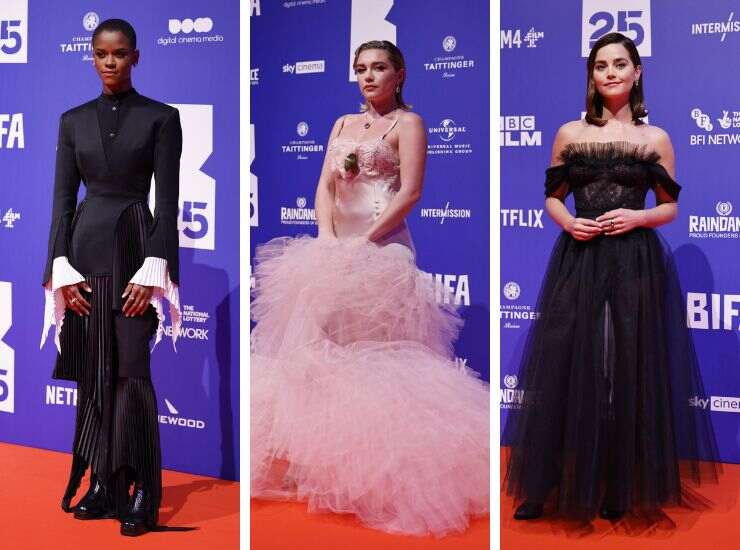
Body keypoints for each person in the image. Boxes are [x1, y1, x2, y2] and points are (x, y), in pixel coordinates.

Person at [250, 40, 489, 536]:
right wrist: (327, 239)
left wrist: (363, 243)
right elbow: (325, 187)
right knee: (318, 355)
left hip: (383, 252)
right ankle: (323, 467)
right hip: (333, 250)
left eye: (379, 68)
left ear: (399, 75)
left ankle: (382, 478)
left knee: (377, 359)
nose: (368, 76)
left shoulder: (409, 124)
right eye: (361, 68)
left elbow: (411, 192)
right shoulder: (342, 124)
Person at [503, 32, 720, 522]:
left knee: (625, 367)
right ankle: (545, 483)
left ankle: (620, 485)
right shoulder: (569, 133)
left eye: (620, 64)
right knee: (565, 361)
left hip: (632, 259)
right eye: (601, 65)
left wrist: (637, 217)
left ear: (637, 72)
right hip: (578, 257)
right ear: (592, 75)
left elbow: (669, 208)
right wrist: (567, 221)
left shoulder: (655, 138)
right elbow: (553, 197)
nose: (611, 72)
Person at [40, 18, 181, 537]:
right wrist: (59, 267)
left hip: (135, 250)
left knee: (131, 372)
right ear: (92, 57)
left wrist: (155, 266)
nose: (109, 62)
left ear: (135, 57)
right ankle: (103, 482)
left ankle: (142, 490)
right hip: (83, 254)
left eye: (119, 53)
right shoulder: (72, 120)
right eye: (101, 54)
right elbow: (62, 202)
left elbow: (167, 202)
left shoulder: (161, 118)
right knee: (94, 372)